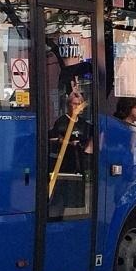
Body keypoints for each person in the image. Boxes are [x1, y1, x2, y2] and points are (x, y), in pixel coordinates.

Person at [48, 82, 93, 216]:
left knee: (73, 203)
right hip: (63, 167)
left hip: (78, 167)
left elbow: (91, 140)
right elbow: (51, 139)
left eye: (79, 104)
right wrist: (67, 142)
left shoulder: (84, 124)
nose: (77, 107)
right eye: (74, 104)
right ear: (68, 105)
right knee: (59, 201)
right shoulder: (61, 121)